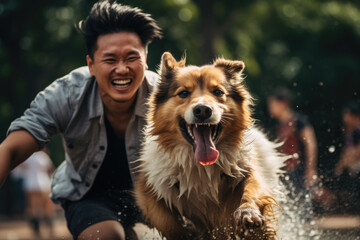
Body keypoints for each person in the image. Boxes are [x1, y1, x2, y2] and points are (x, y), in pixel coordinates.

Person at [0, 1, 162, 239]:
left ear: (146, 59)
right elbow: (11, 150)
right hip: (88, 197)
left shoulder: (168, 95)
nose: (122, 69)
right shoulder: (65, 95)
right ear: (91, 65)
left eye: (131, 57)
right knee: (107, 236)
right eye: (109, 60)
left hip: (157, 194)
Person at [267, 88, 318, 196]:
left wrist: (310, 169)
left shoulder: (299, 121)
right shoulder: (279, 125)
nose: (270, 108)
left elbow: (310, 144)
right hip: (287, 171)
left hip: (300, 170)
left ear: (283, 104)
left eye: (273, 104)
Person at [15, 148, 55, 237]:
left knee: (32, 209)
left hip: (30, 184)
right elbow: (51, 170)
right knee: (47, 208)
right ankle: (50, 231)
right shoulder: (43, 156)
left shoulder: (27, 158)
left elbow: (18, 170)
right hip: (43, 184)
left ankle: (37, 232)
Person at [333, 100, 360, 213]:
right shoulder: (349, 131)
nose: (344, 117)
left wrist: (346, 160)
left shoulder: (358, 129)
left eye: (346, 114)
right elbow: (346, 149)